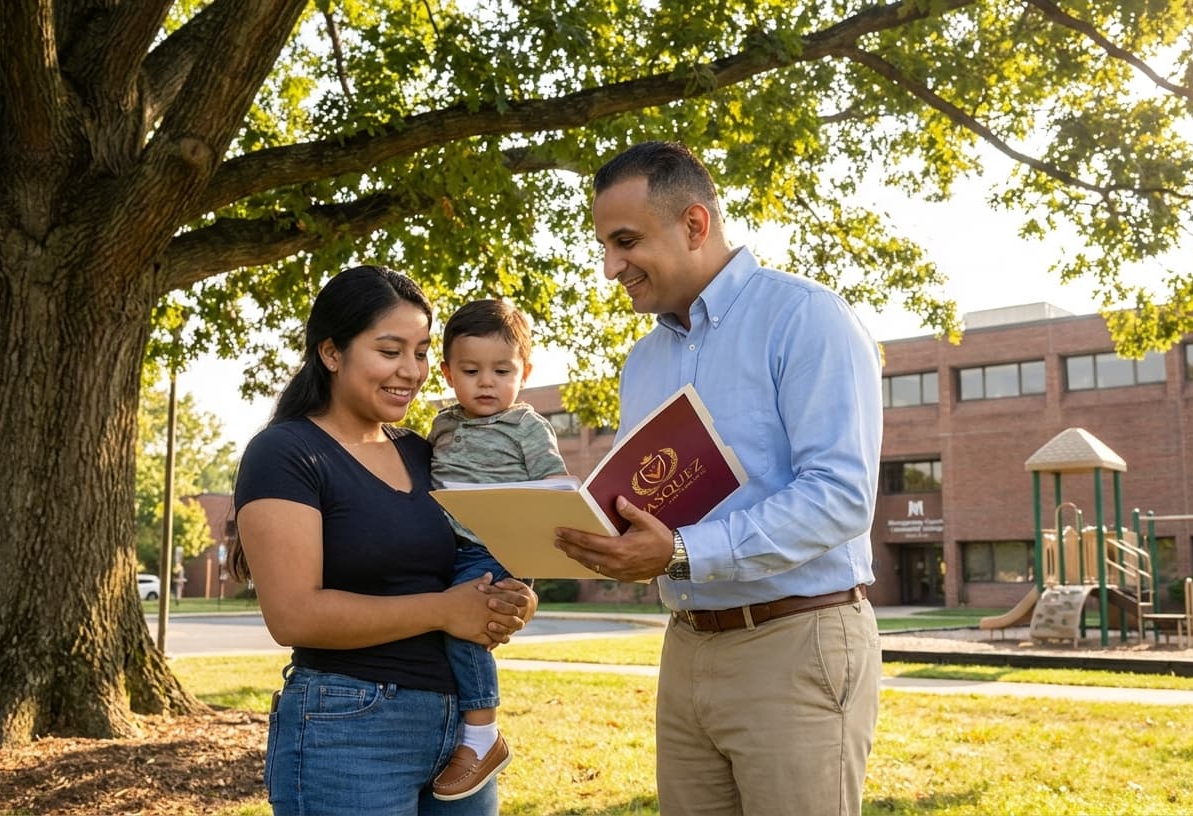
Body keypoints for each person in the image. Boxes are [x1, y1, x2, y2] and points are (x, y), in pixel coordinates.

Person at [553, 141, 884, 816]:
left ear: (695, 225)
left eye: (624, 242)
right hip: (687, 647)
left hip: (798, 642)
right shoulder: (642, 363)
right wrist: (606, 541)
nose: (611, 267)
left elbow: (841, 496)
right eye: (604, 247)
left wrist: (678, 551)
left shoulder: (805, 317)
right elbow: (645, 499)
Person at [232, 265, 537, 815]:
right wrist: (445, 611)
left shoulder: (428, 451)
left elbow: (471, 561)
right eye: (391, 350)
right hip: (349, 727)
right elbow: (294, 616)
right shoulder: (286, 454)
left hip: (459, 734)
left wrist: (509, 599)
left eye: (421, 352)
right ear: (331, 352)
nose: (412, 371)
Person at [426, 299, 569, 800]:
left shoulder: (527, 425)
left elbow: (554, 484)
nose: (486, 382)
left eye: (502, 370)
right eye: (470, 370)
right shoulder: (442, 425)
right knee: (445, 620)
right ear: (446, 372)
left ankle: (483, 734)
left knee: (468, 627)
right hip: (451, 547)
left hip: (500, 548)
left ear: (525, 371)